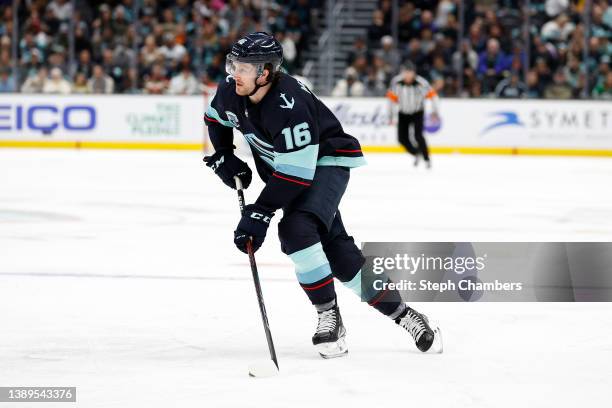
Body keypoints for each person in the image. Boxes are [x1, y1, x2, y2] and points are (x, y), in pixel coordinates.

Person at [204, 32, 441, 358]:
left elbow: (295, 175)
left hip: (325, 163)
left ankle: (329, 316)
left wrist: (260, 212)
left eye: (245, 67)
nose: (235, 73)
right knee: (341, 258)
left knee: (296, 230)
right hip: (290, 173)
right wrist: (223, 154)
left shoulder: (289, 104)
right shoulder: (232, 91)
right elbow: (215, 118)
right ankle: (406, 315)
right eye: (234, 64)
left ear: (266, 72)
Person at [387, 62, 440, 168]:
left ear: (414, 73)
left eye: (409, 72)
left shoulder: (421, 83)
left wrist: (435, 112)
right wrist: (391, 116)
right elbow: (391, 100)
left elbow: (433, 96)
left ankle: (426, 158)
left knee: (418, 135)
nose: (407, 75)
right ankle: (416, 153)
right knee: (402, 139)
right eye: (405, 72)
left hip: (417, 112)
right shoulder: (396, 82)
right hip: (403, 112)